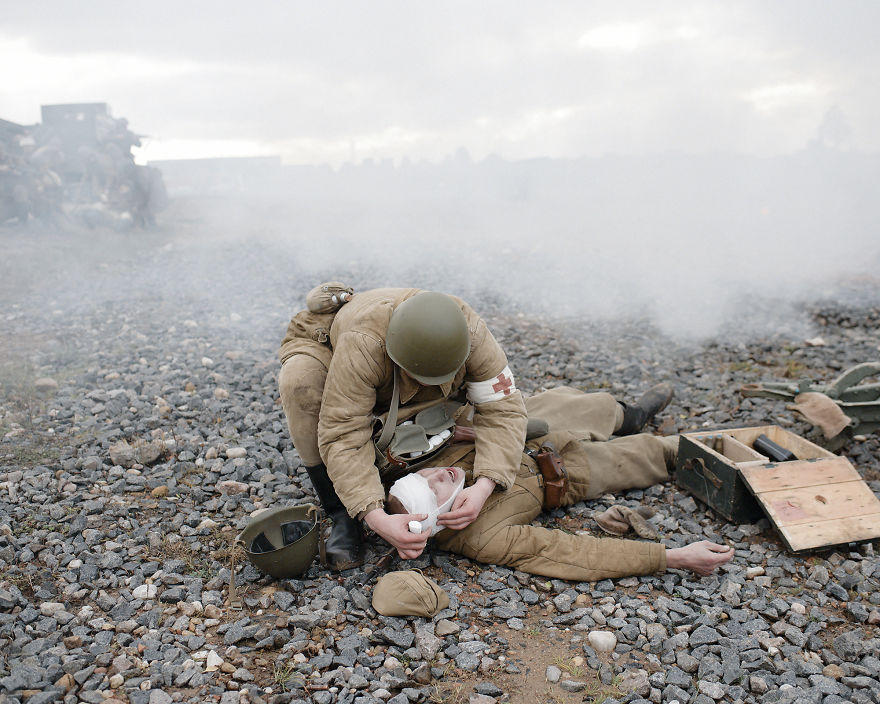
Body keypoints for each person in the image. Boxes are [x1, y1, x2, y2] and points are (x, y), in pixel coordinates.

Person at [279, 284, 676, 571]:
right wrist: (373, 515)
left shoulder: (471, 332)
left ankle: (622, 414)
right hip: (335, 352)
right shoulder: (363, 347)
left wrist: (486, 481)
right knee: (301, 384)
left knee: (534, 415)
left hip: (432, 383)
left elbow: (503, 407)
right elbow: (343, 433)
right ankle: (340, 511)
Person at [385, 387, 734, 581]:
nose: (436, 474)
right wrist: (673, 558)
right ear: (439, 516)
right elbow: (573, 555)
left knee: (590, 406)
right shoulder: (483, 538)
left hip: (521, 432)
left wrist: (466, 430)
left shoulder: (434, 464)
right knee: (656, 455)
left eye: (422, 476)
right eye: (433, 490)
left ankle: (632, 415)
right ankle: (734, 445)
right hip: (567, 472)